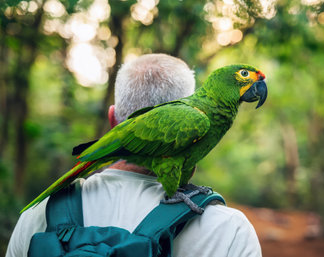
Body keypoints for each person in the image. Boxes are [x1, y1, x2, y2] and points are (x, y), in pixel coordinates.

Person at [6, 53, 262, 257]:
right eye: (244, 75)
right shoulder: (230, 228)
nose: (254, 83)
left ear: (112, 118)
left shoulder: (38, 215)